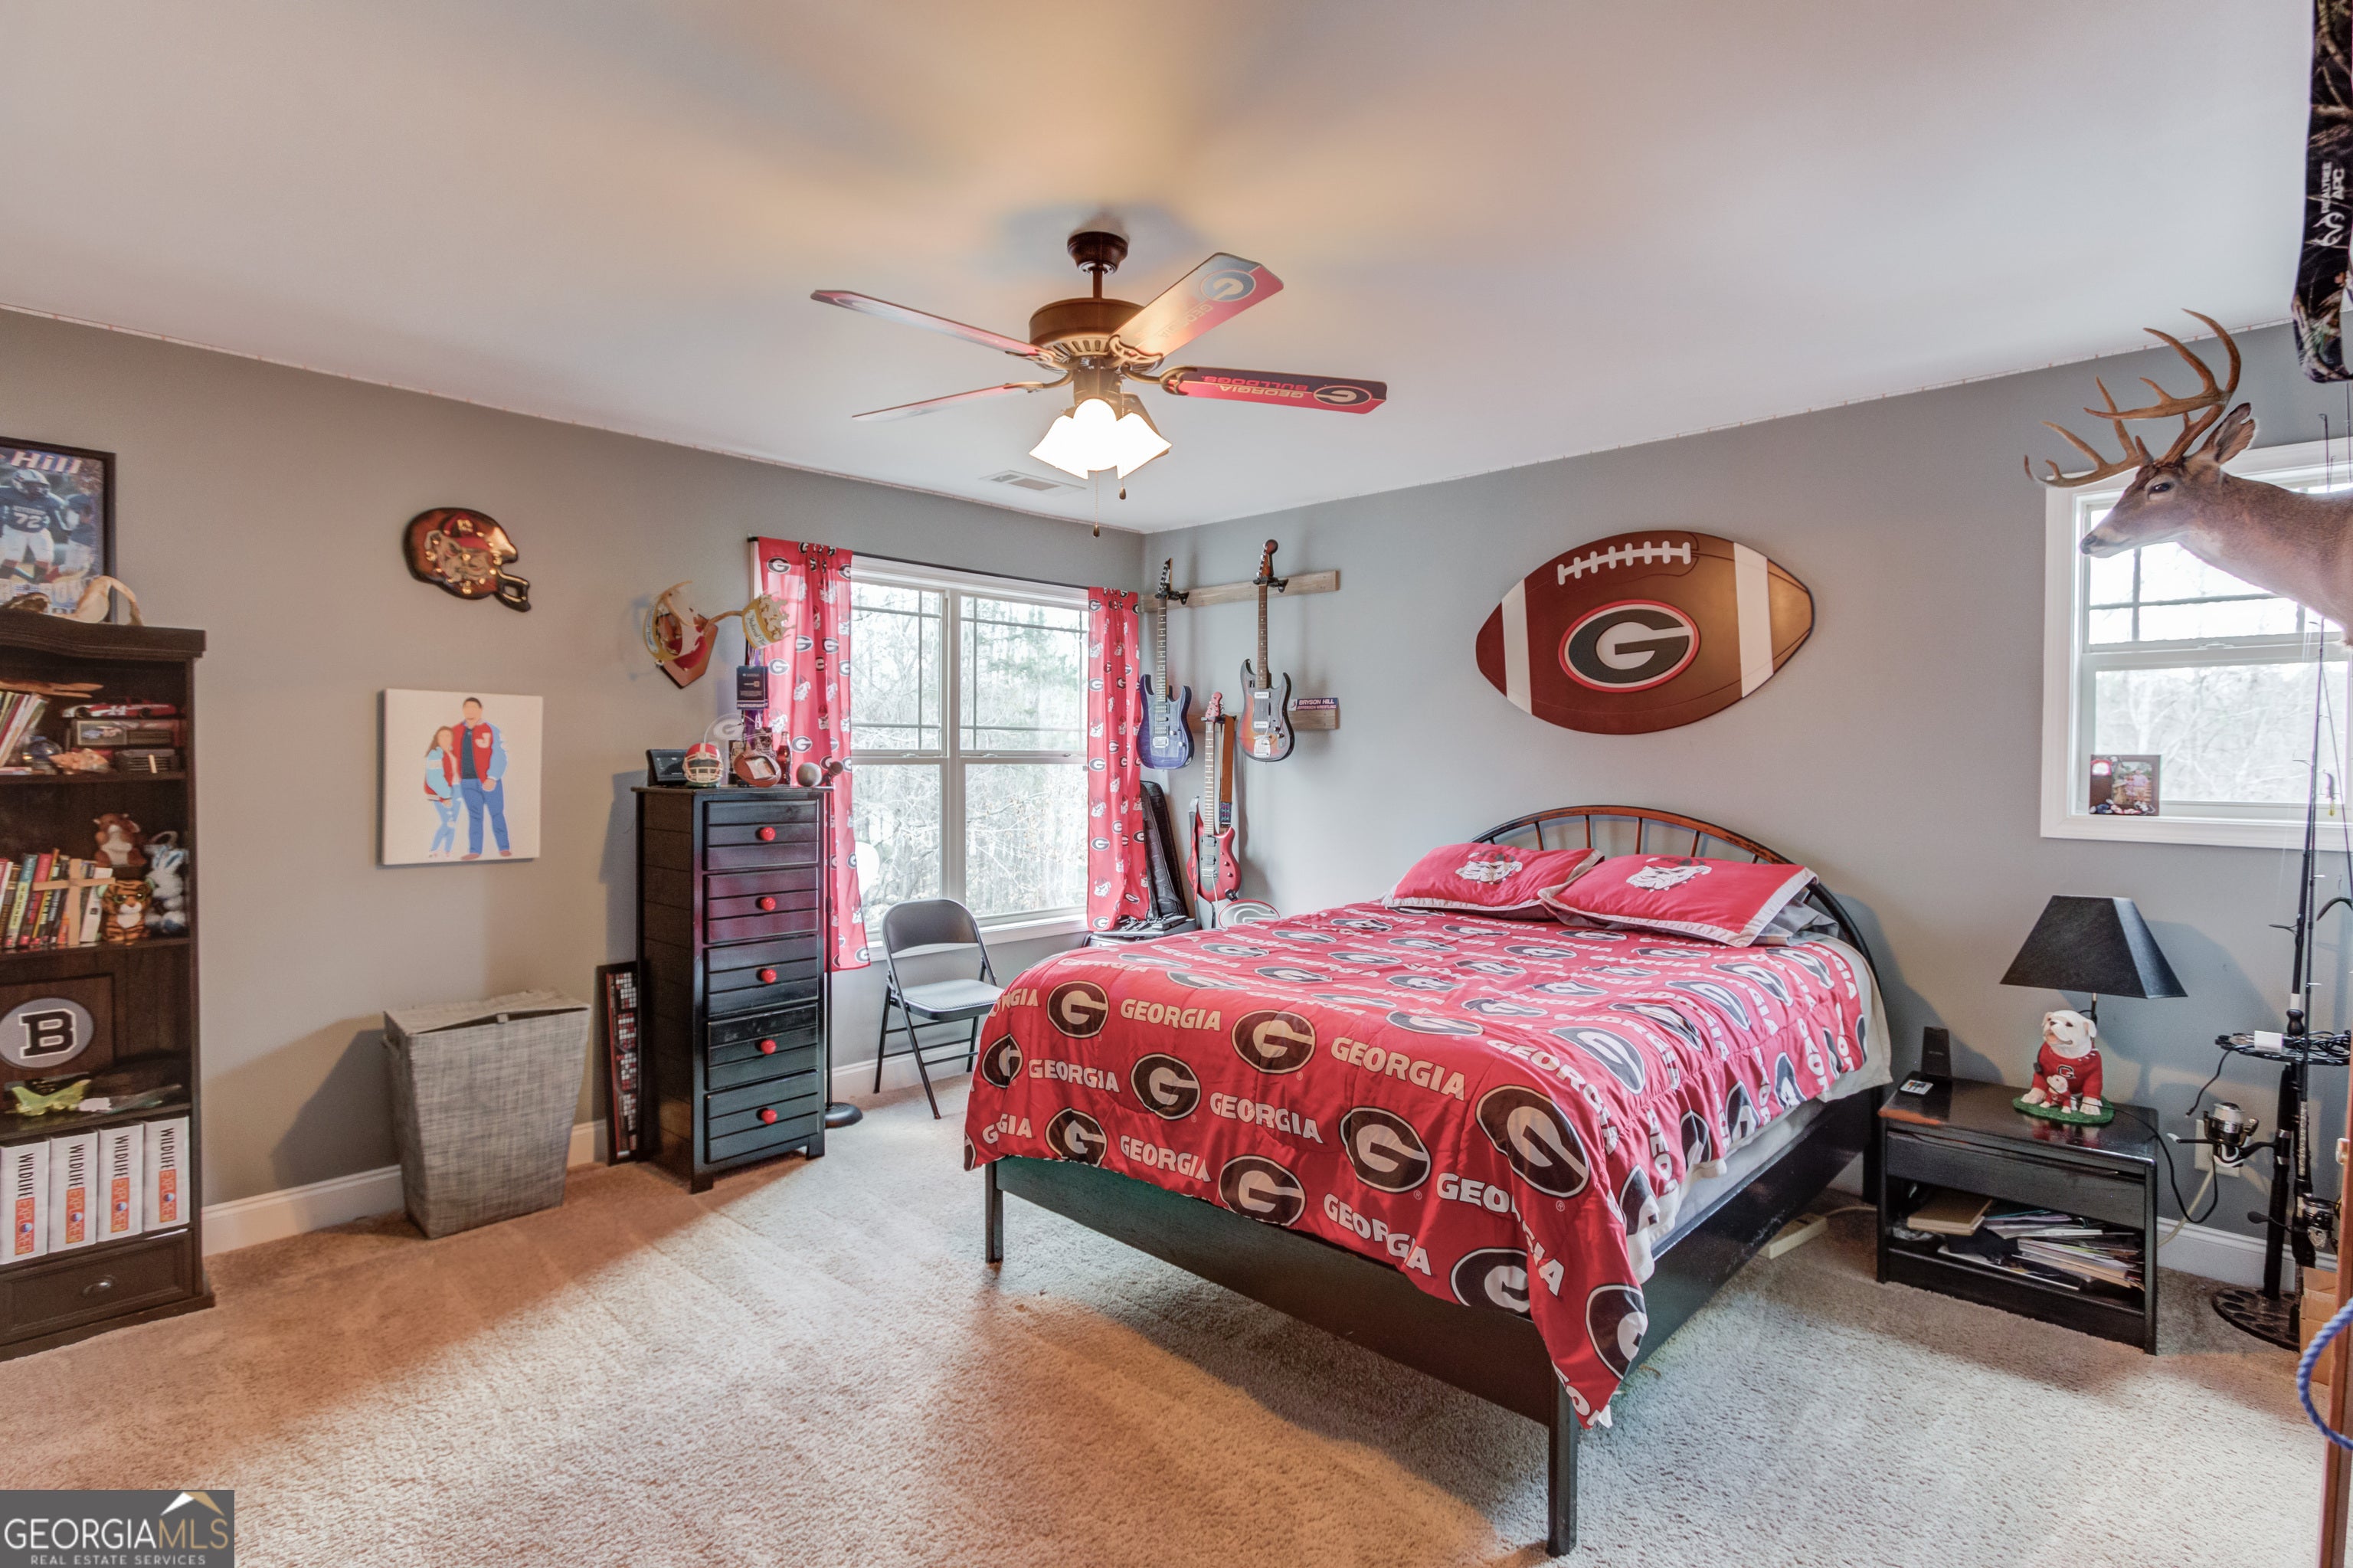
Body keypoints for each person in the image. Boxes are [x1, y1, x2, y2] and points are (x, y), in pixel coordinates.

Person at [453, 698, 510, 859]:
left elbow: (500, 754)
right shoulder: (456, 730)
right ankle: (475, 850)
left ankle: (504, 847)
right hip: (467, 781)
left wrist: (493, 777)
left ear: (480, 710)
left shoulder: (491, 730)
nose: (470, 710)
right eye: (466, 707)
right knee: (475, 816)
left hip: (488, 781)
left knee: (497, 813)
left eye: (473, 707)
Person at [423, 726, 460, 859]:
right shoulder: (435, 754)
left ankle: (448, 851)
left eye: (448, 736)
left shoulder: (452, 753)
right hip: (443, 793)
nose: (445, 739)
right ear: (437, 739)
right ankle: (433, 850)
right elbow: (434, 778)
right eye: (442, 736)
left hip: (457, 790)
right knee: (447, 822)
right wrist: (445, 796)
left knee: (453, 823)